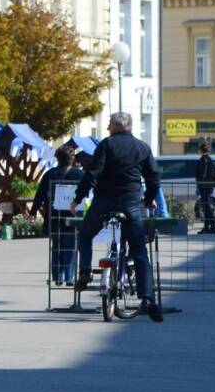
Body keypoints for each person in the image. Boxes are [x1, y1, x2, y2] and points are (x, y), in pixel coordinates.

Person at [69, 112, 163, 322]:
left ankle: (85, 270)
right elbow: (154, 177)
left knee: (85, 235)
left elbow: (92, 174)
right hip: (130, 203)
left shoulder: (106, 145)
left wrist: (78, 199)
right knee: (139, 251)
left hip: (103, 201)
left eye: (109, 124)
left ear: (116, 126)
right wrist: (149, 198)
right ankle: (146, 298)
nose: (108, 128)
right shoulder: (142, 147)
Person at [32, 146, 84, 286]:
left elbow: (40, 194)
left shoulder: (50, 174)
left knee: (56, 246)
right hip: (72, 217)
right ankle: (69, 276)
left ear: (57, 158)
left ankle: (57, 275)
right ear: (73, 159)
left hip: (54, 216)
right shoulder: (80, 175)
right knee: (70, 247)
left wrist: (33, 211)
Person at [195, 141, 215, 234]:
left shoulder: (203, 160)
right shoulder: (210, 160)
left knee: (207, 207)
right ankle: (208, 228)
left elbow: (201, 175)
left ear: (201, 150)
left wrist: (199, 185)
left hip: (204, 186)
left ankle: (212, 228)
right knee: (206, 207)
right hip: (208, 186)